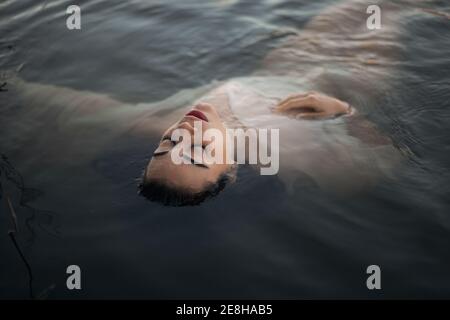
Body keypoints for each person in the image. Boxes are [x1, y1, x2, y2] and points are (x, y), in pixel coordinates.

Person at [6, 0, 415, 206]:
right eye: (199, 153)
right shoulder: (291, 154)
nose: (186, 132)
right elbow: (391, 161)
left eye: (166, 146)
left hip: (288, 60)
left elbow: (76, 110)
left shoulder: (159, 122)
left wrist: (13, 85)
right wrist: (344, 111)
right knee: (387, 9)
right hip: (352, 73)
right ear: (231, 173)